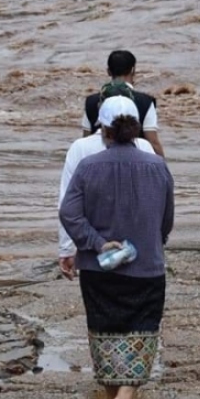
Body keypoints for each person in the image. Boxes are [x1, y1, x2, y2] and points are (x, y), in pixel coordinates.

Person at [59, 97, 174, 399]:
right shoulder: (158, 167)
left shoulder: (88, 166)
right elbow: (167, 220)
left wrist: (96, 243)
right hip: (147, 269)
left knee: (105, 335)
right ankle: (123, 398)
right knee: (143, 331)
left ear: (103, 130)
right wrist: (151, 244)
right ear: (136, 129)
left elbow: (68, 213)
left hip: (100, 270)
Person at [58, 96, 155, 280]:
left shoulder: (82, 153)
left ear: (103, 127)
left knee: (100, 309)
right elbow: (163, 208)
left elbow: (67, 209)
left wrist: (67, 249)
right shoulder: (152, 159)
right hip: (144, 261)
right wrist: (156, 243)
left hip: (97, 261)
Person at [82, 50, 165, 157]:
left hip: (98, 163)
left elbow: (86, 138)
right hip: (135, 163)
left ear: (108, 71)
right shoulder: (146, 101)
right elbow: (153, 142)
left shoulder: (91, 101)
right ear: (133, 70)